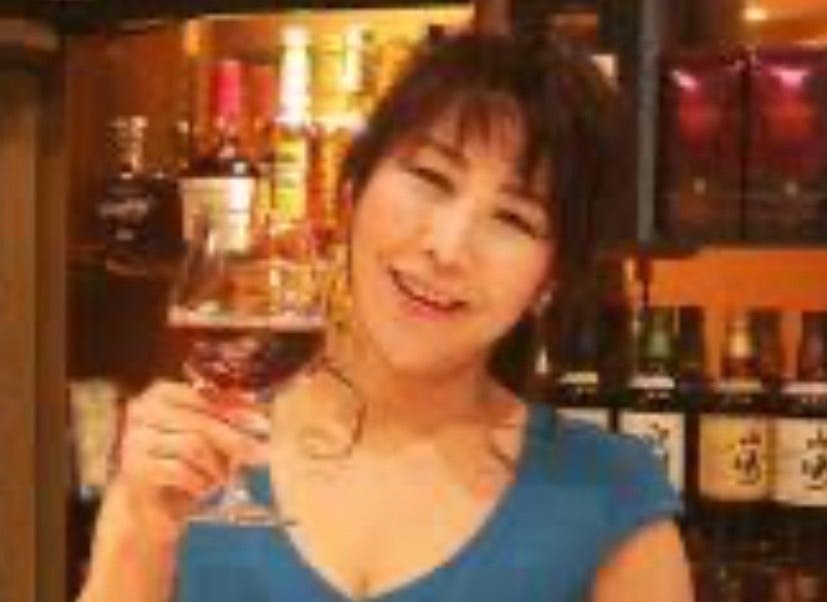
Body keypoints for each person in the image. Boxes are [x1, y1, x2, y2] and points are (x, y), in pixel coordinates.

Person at [79, 31, 692, 602]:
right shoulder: (200, 455)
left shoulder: (609, 497)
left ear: (549, 279)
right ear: (350, 196)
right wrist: (136, 529)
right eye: (431, 177)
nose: (447, 247)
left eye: (513, 218)